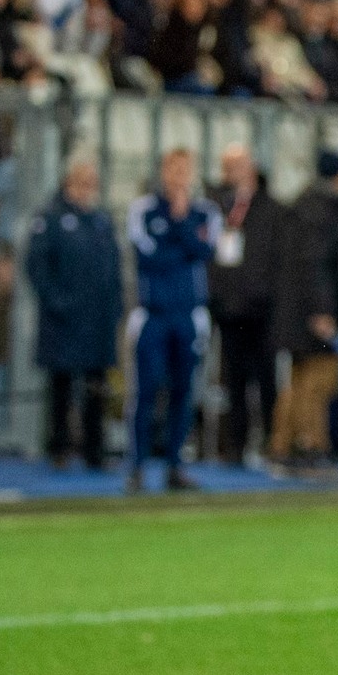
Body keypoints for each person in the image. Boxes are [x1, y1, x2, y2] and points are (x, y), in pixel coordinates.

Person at [126, 148, 220, 492]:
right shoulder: (144, 210)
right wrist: (182, 235)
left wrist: (179, 228)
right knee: (146, 390)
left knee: (183, 390)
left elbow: (207, 252)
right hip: (153, 314)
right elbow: (148, 256)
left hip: (188, 315)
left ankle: (175, 465)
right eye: (173, 169)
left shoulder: (204, 212)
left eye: (185, 170)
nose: (179, 177)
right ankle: (136, 465)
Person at [25, 160, 121, 470]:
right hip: (64, 320)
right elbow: (37, 266)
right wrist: (57, 302)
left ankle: (95, 451)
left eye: (92, 181)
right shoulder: (51, 217)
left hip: (97, 321)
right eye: (82, 180)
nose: (88, 187)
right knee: (61, 386)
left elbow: (114, 268)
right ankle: (59, 448)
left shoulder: (101, 220)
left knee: (96, 387)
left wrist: (115, 307)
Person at [274, 150, 338, 469]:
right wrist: (323, 311)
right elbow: (317, 263)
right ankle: (308, 447)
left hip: (295, 311)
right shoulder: (325, 209)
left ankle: (284, 447)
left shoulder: (301, 205)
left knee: (298, 381)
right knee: (318, 382)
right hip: (315, 312)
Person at [206, 143, 284, 464]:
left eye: (235, 165)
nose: (229, 173)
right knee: (233, 380)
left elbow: (278, 261)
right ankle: (235, 446)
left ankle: (271, 442)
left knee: (267, 379)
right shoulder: (216, 206)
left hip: (263, 309)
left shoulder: (272, 209)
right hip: (229, 309)